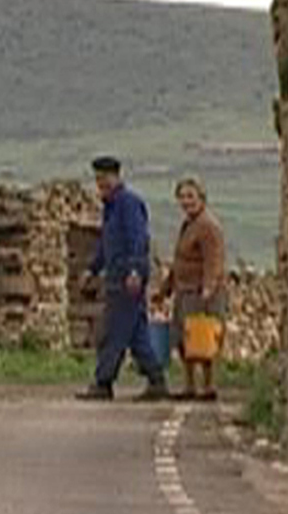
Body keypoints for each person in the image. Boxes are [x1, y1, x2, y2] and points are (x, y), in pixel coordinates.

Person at [76, 155, 169, 402]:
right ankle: (156, 378)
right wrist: (93, 269)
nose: (100, 184)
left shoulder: (128, 204)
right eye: (97, 180)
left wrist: (135, 271)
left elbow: (137, 240)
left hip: (127, 278)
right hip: (118, 276)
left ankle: (103, 382)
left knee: (114, 331)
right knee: (136, 333)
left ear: (117, 177)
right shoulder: (110, 207)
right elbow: (108, 245)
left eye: (104, 178)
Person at [157, 177, 227, 401]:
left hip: (200, 291)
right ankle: (190, 386)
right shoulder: (188, 225)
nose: (186, 201)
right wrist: (165, 289)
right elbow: (180, 262)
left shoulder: (207, 226)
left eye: (191, 196)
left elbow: (213, 260)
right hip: (185, 290)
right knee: (184, 339)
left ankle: (209, 386)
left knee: (204, 339)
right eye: (183, 197)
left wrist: (208, 288)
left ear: (202, 198)